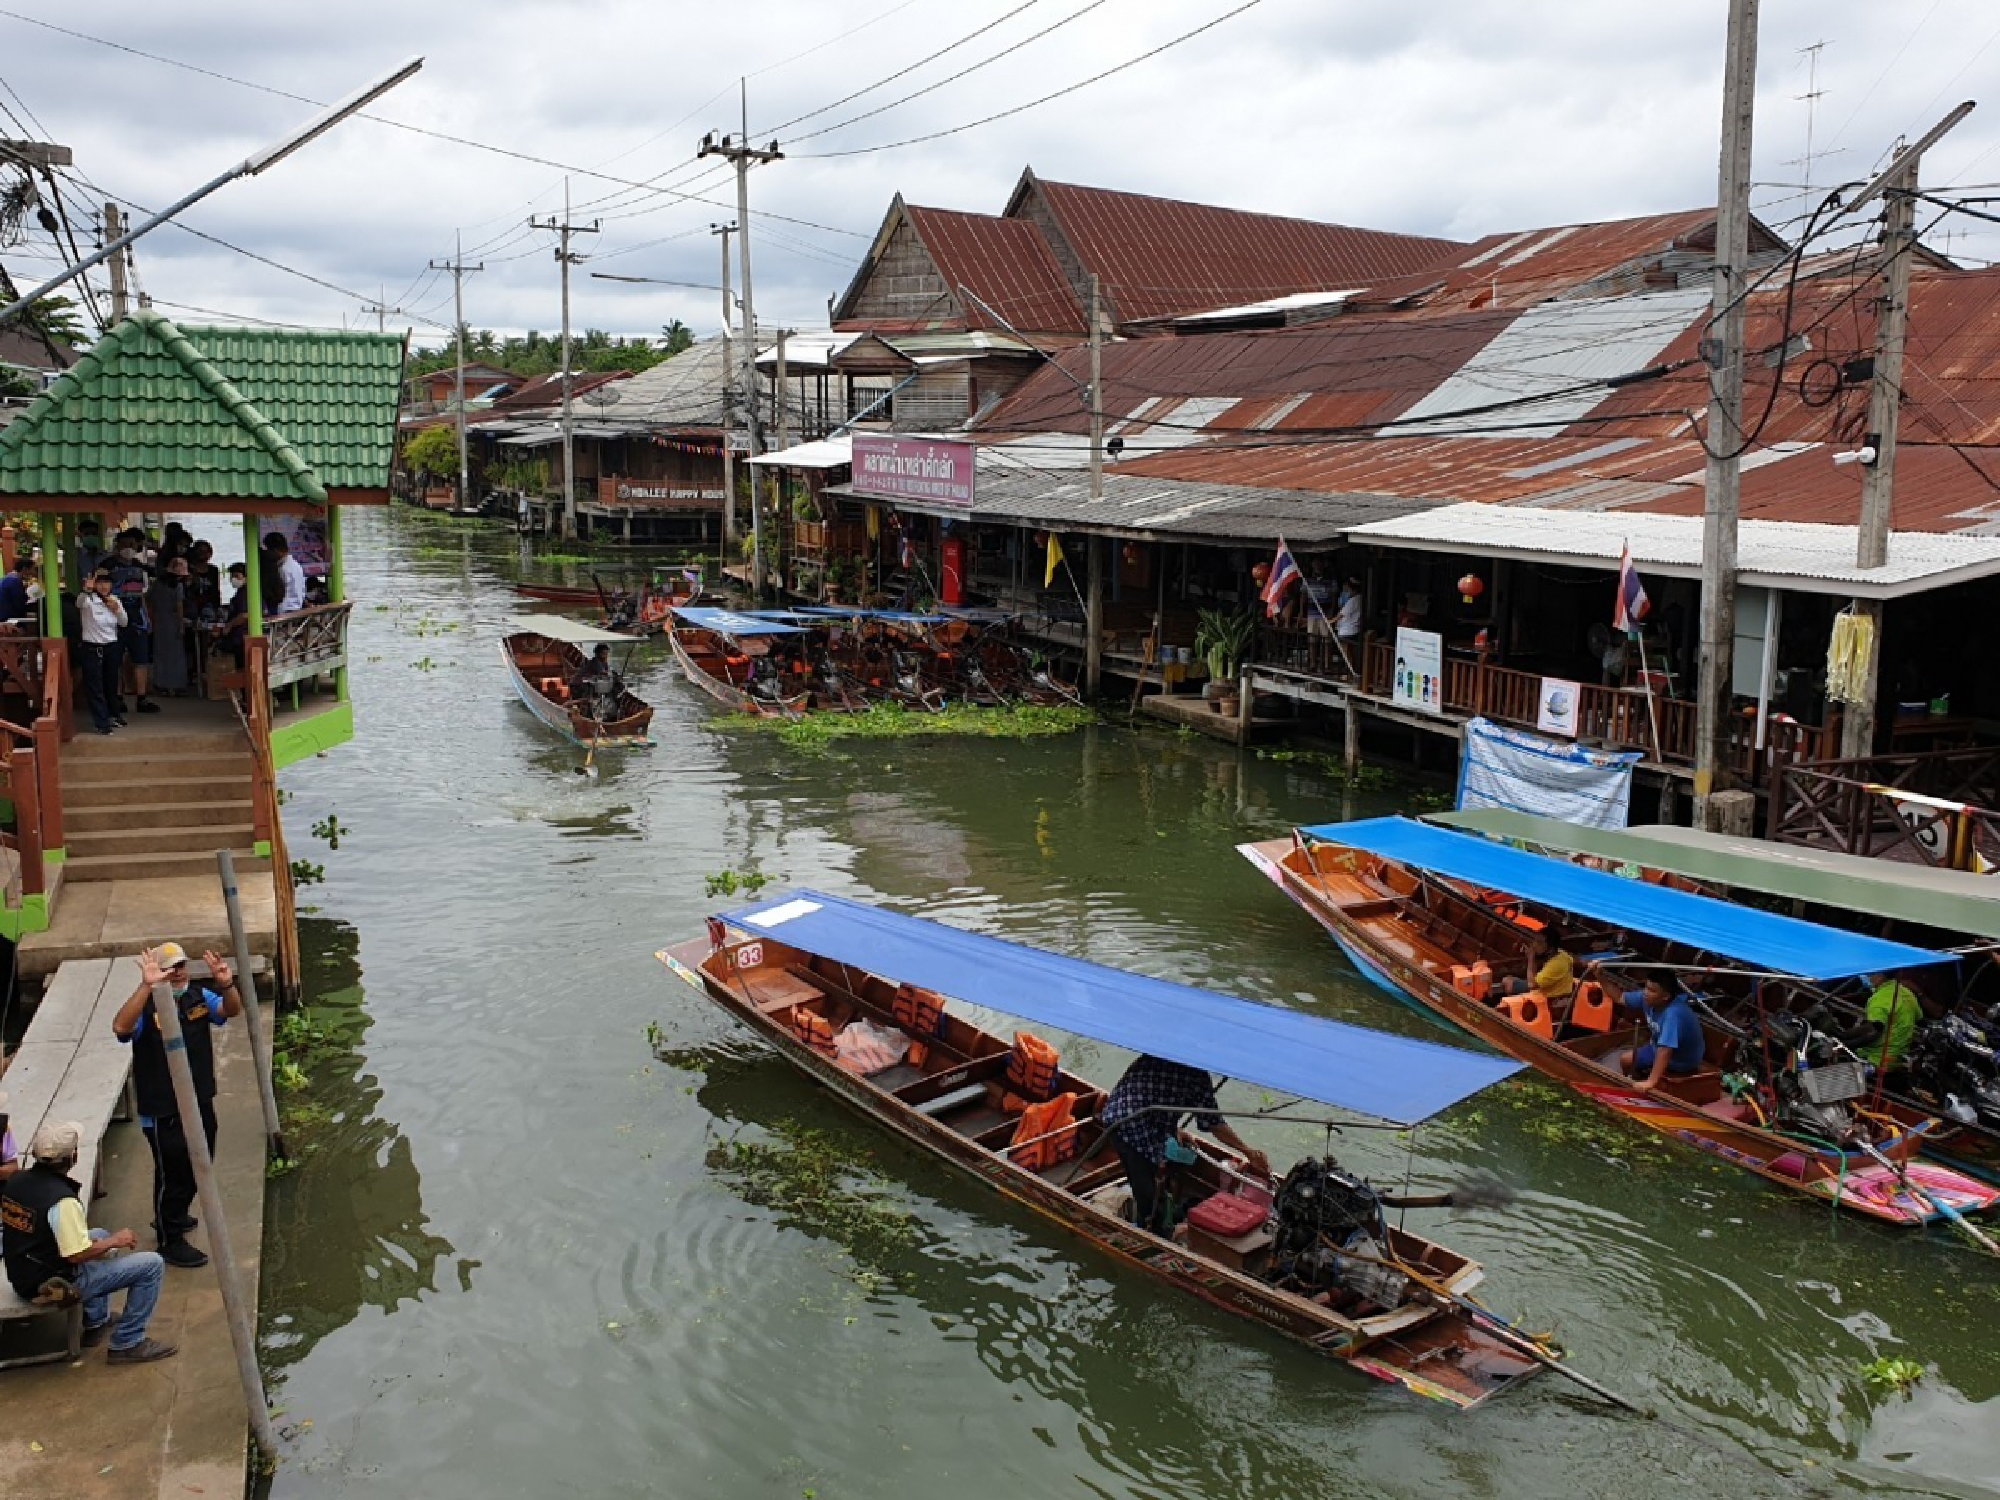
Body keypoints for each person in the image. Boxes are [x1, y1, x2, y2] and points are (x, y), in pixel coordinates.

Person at [111, 943, 244, 1268]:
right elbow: (120, 1028)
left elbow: (230, 1010)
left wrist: (226, 983)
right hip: (163, 1107)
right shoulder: (146, 1007)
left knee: (202, 1161)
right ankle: (169, 1236)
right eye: (170, 968)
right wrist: (147, 985)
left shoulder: (197, 996)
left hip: (199, 1097)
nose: (178, 972)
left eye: (181, 965)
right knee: (173, 1172)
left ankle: (177, 1212)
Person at [0, 1120, 177, 1363]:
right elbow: (76, 1255)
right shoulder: (62, 1201)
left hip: (22, 1272)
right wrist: (117, 1240)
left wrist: (106, 1241)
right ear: (72, 1156)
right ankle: (127, 1341)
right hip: (52, 1285)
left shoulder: (17, 1181)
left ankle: (97, 1321)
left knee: (99, 1234)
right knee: (151, 1264)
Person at [1099, 1054, 1270, 1233]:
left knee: (1148, 1177)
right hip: (1134, 1128)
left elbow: (1150, 1096)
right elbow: (1214, 1124)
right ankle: (1152, 1231)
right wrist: (1247, 1152)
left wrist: (1175, 1130)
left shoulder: (1156, 1054)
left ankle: (1154, 1214)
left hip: (1114, 1114)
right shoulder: (1197, 1077)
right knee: (1148, 1195)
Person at [1599, 972, 1705, 1088]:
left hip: (1681, 1060)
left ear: (1665, 996)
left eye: (1652, 990)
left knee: (1634, 1063)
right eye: (1646, 987)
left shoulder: (1673, 1014)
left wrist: (1651, 1082)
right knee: (1626, 1060)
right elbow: (1619, 997)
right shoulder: (1648, 999)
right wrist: (1600, 976)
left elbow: (1665, 1050)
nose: (1645, 993)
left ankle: (1643, 1083)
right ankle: (1633, 1083)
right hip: (1657, 1046)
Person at [109, 530, 158, 714]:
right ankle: (118, 697)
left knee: (141, 659)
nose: (129, 548)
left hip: (138, 618)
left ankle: (142, 698)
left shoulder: (140, 567)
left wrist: (148, 618)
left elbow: (144, 595)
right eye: (125, 544)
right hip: (115, 618)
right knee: (116, 660)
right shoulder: (108, 567)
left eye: (132, 544)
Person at [79, 568, 127, 735]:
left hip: (111, 647)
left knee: (111, 683)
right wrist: (87, 589)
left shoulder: (115, 600)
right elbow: (79, 603)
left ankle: (114, 715)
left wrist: (117, 610)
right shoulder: (88, 600)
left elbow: (124, 623)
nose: (103, 586)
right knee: (95, 686)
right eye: (100, 582)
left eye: (107, 582)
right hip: (92, 648)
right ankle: (101, 722)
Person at [1857, 971, 1937, 1072]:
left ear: (1879, 976)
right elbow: (1919, 1019)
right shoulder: (1907, 993)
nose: (1865, 977)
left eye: (1869, 975)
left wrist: (1847, 1042)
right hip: (1898, 1059)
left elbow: (1872, 1033)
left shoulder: (1879, 1000)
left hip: (1876, 1060)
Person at [145, 556, 191, 696]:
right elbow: (179, 606)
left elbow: (148, 601)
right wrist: (181, 625)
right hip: (172, 620)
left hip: (159, 621)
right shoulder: (178, 586)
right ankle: (176, 686)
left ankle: (161, 685)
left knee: (160, 653)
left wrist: (150, 620)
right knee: (176, 655)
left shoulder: (157, 584)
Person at [1497, 936, 1576, 1003]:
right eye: (1535, 941)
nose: (1534, 945)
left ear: (1550, 948)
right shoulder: (1562, 954)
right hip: (1552, 991)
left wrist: (1531, 958)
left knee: (1507, 981)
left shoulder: (1556, 964)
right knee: (1511, 979)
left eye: (1539, 943)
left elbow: (1531, 985)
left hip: (1545, 998)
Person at [264, 532, 307, 616]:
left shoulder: (283, 569)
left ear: (275, 550)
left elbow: (278, 592)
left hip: (285, 610)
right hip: (297, 607)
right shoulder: (296, 565)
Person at [217, 561, 249, 669]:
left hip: (241, 637)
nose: (233, 579)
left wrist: (229, 625)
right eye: (232, 576)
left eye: (237, 576)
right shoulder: (240, 592)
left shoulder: (244, 594)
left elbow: (244, 615)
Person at [0, 556, 37, 625]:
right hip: (8, 619)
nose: (33, 573)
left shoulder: (7, 578)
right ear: (25, 569)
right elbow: (20, 604)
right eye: (32, 569)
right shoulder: (15, 581)